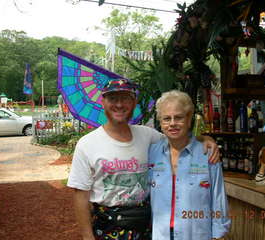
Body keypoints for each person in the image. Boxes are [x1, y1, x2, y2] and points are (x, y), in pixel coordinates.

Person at [67, 79, 220, 240]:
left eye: (125, 98)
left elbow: (178, 139)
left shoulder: (148, 136)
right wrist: (87, 236)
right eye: (112, 99)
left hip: (146, 226)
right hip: (108, 227)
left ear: (134, 102)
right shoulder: (87, 144)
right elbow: (80, 196)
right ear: (103, 102)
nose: (119, 105)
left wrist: (204, 138)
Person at [149, 90, 231, 240]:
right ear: (160, 123)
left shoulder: (207, 153)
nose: (172, 123)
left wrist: (218, 235)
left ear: (189, 119)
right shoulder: (152, 152)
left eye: (179, 117)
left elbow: (218, 197)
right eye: (167, 118)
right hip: (161, 235)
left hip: (196, 234)